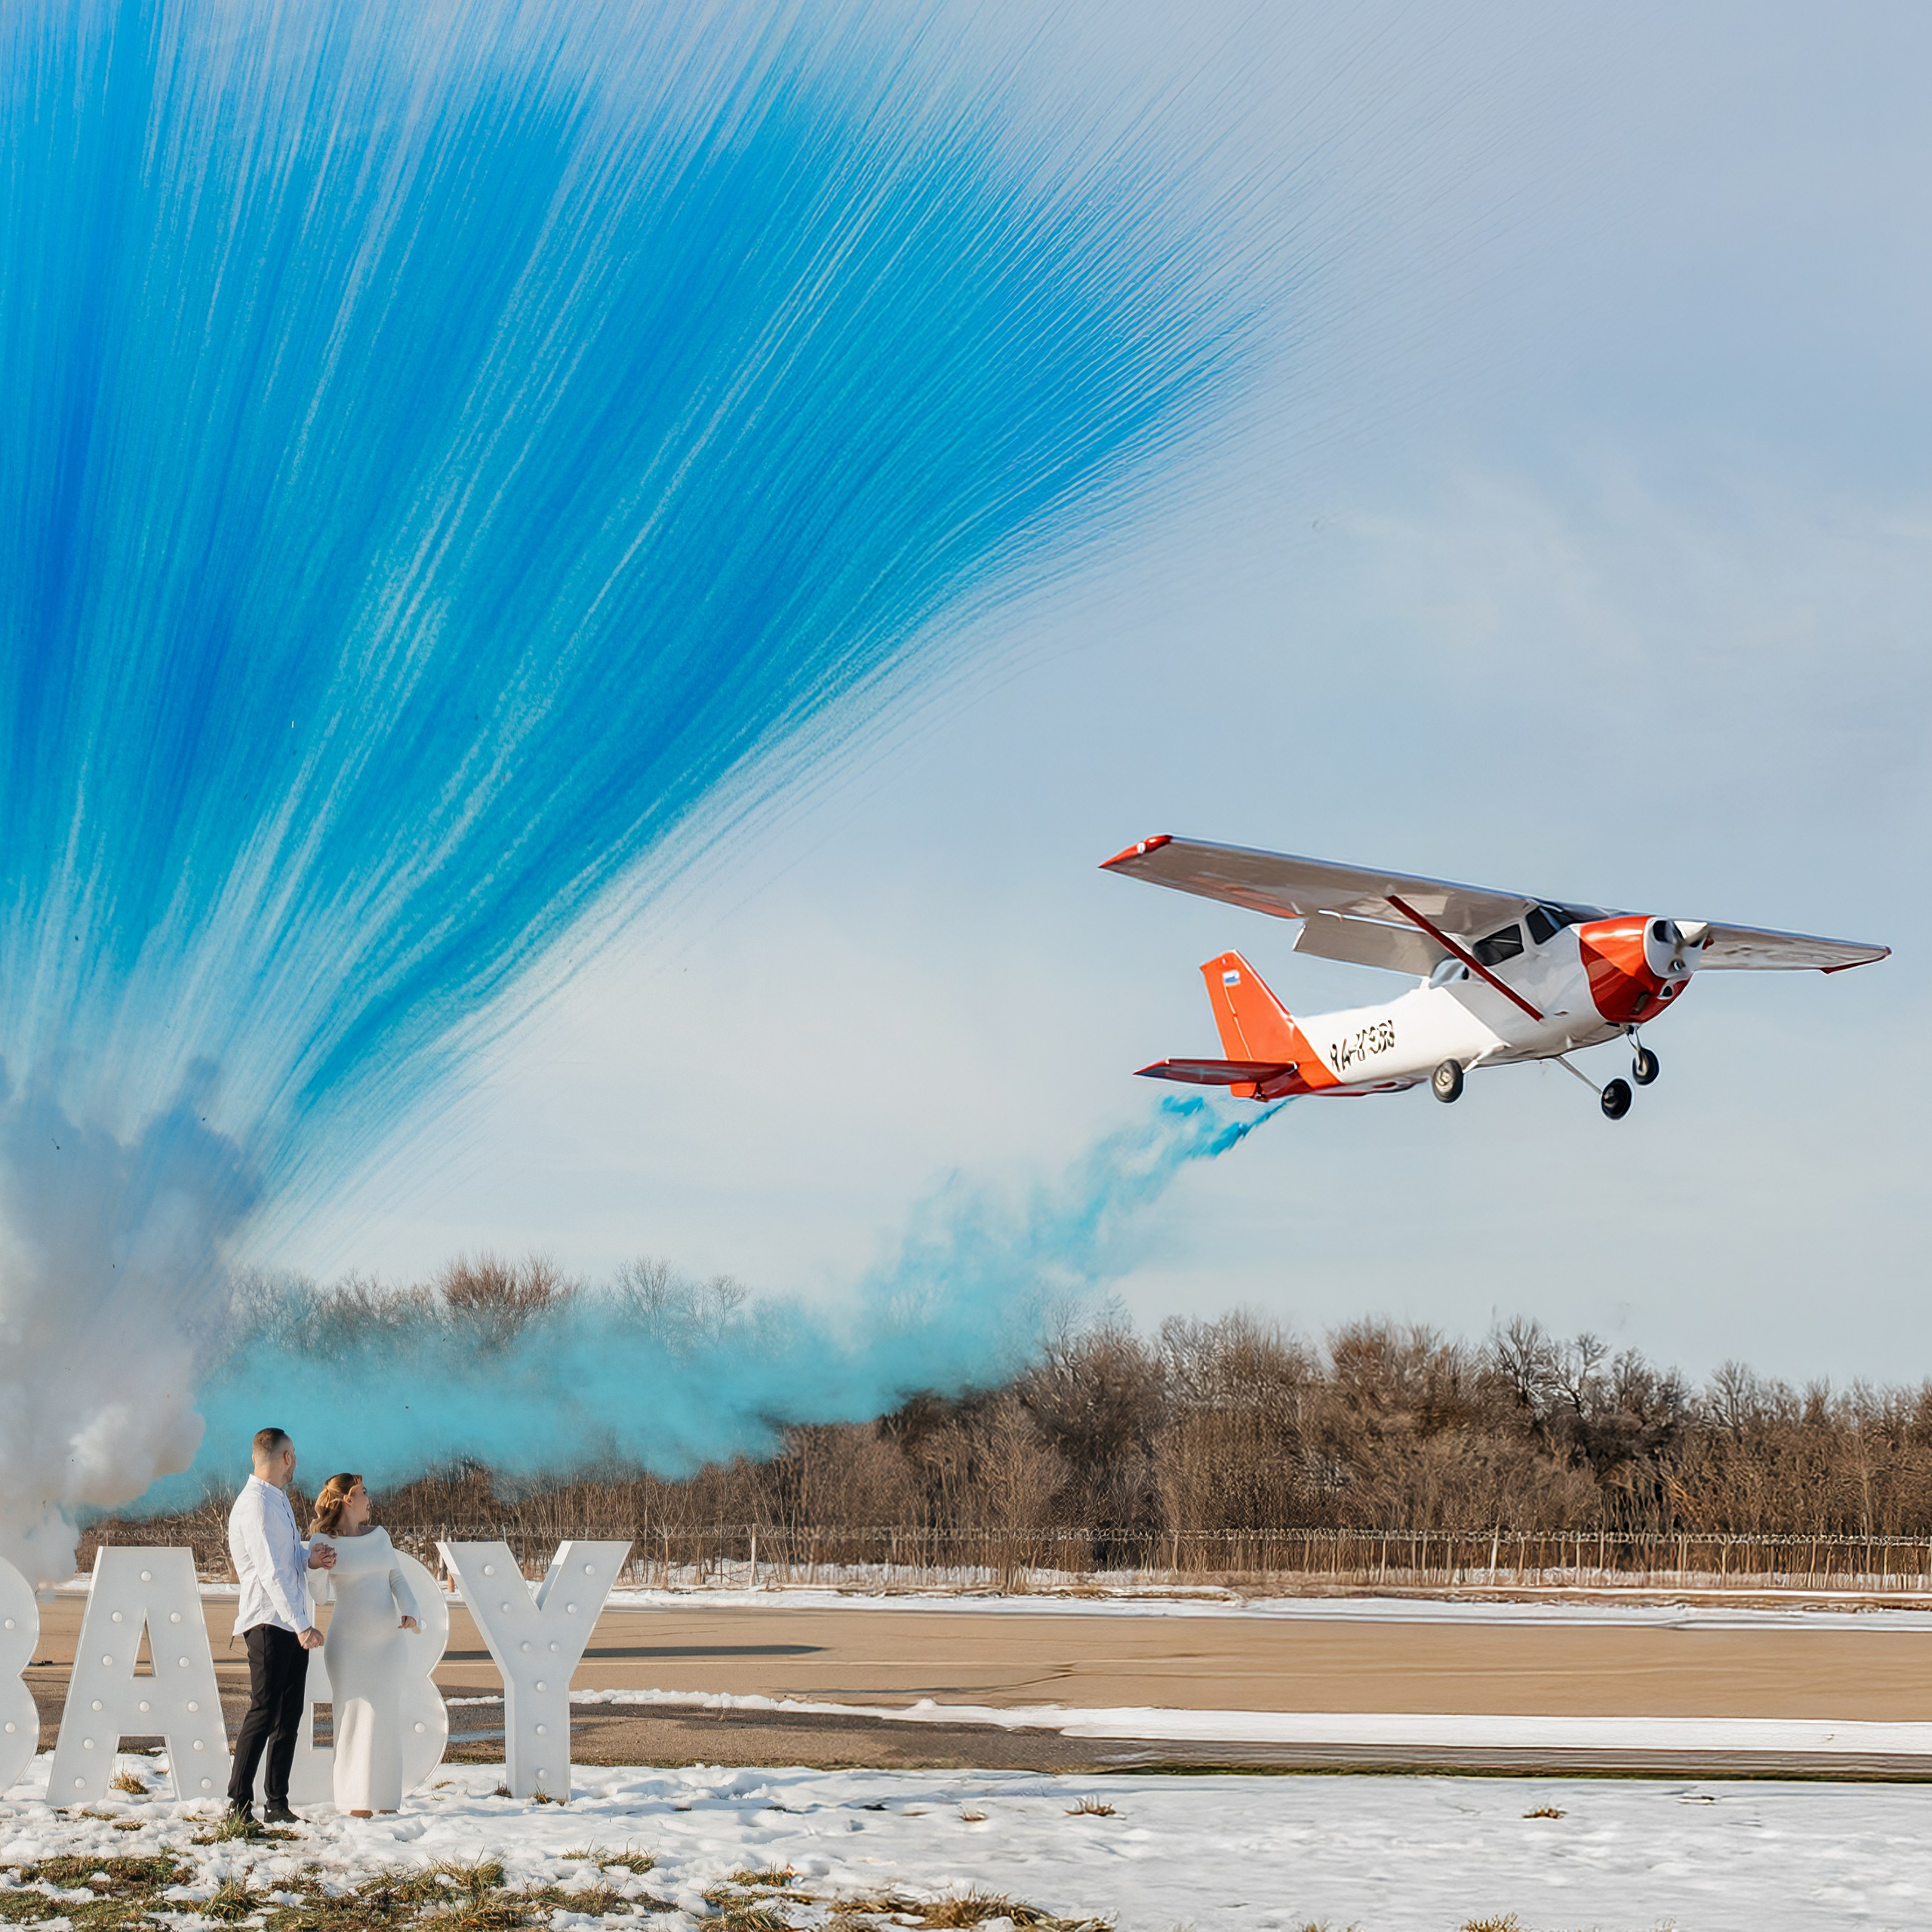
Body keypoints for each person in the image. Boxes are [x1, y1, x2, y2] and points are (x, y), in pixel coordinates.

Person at [225, 1427, 337, 1826]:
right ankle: (238, 1804)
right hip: (268, 1622)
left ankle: (277, 1803)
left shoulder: (277, 1499)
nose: (295, 1465)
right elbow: (270, 1572)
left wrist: (310, 1558)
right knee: (264, 1710)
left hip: (287, 1622)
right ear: (286, 1457)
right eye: (294, 1457)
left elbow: (285, 1560)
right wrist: (303, 1625)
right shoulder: (255, 1504)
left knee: (288, 1716)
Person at [306, 1473, 422, 1817]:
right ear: (347, 1499)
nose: (369, 1499)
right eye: (363, 1493)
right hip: (348, 1647)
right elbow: (319, 1596)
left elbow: (396, 1576)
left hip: (388, 1643)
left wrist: (411, 1610)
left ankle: (386, 1802)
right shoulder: (322, 1541)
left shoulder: (380, 1536)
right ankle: (354, 1802)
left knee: (384, 1719)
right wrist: (317, 1567)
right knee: (353, 1719)